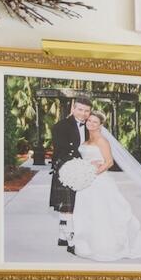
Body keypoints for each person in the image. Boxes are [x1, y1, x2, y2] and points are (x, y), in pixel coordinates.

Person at [68, 110, 141, 261]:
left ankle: (105, 246)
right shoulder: (86, 140)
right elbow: (87, 158)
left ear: (101, 125)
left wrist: (91, 174)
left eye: (95, 122)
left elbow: (109, 162)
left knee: (102, 212)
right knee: (87, 212)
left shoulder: (102, 141)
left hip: (99, 181)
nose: (91, 124)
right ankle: (86, 243)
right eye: (89, 121)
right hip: (85, 183)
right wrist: (82, 169)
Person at [47, 95, 94, 255]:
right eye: (80, 109)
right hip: (67, 169)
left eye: (86, 110)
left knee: (71, 204)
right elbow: (61, 150)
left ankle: (62, 236)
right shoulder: (60, 126)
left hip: (82, 169)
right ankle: (72, 242)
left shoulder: (90, 126)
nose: (83, 113)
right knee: (69, 206)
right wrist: (78, 167)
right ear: (73, 109)